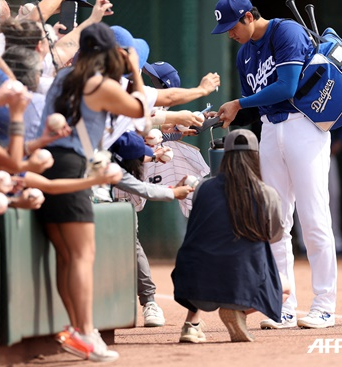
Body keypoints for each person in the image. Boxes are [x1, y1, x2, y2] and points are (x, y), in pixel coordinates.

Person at [213, 0, 337, 329]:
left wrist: (238, 103)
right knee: (276, 222)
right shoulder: (243, 54)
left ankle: (324, 304)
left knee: (313, 218)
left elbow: (287, 87)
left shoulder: (286, 32)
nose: (229, 33)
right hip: (271, 129)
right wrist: (225, 116)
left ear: (248, 16)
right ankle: (282, 303)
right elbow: (258, 106)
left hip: (304, 127)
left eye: (231, 25)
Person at [35, 22, 147, 362]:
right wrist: (136, 72)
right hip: (72, 167)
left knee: (66, 257)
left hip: (47, 164)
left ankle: (77, 329)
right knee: (82, 257)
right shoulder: (97, 84)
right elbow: (140, 111)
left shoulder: (60, 78)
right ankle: (85, 331)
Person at [171, 129, 289, 343]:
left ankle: (191, 324)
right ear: (255, 157)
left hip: (193, 282)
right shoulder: (266, 193)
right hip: (240, 281)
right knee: (286, 288)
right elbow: (274, 236)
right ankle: (237, 312)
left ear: (225, 156)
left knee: (205, 254)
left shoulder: (203, 188)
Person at [109, 131, 194, 327]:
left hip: (121, 208)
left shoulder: (118, 157)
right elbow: (145, 189)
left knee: (133, 246)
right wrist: (173, 192)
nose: (144, 159)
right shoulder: (109, 167)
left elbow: (135, 156)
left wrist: (156, 154)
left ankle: (149, 302)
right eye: (141, 156)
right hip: (95, 208)